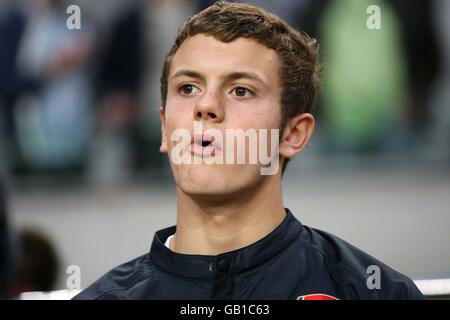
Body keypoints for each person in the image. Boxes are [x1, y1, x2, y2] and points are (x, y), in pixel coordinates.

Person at [74, 1, 424, 300]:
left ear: (293, 134)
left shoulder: (375, 291)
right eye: (188, 87)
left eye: (241, 90)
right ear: (165, 128)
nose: (206, 106)